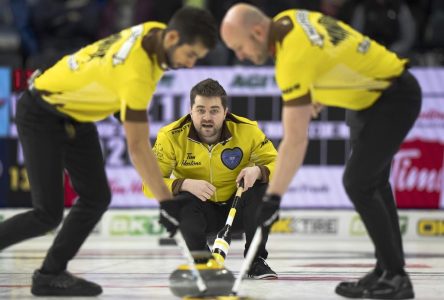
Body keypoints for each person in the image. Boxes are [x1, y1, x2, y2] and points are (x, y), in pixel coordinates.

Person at [0, 6, 217, 297]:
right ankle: (49, 273)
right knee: (47, 214)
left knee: (96, 197)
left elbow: (105, 68)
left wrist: (121, 107)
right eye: (190, 54)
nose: (191, 64)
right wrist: (167, 202)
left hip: (76, 112)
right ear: (173, 37)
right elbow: (138, 148)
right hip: (41, 112)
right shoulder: (138, 73)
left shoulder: (153, 30)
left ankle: (50, 274)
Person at [220, 3, 421, 300]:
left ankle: (396, 277)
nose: (240, 56)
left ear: (258, 32)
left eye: (240, 47)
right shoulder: (289, 18)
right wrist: (320, 90)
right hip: (367, 99)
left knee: (359, 183)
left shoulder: (291, 60)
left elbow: (296, 140)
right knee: (373, 182)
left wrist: (273, 197)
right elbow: (338, 48)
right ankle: (387, 270)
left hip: (392, 97)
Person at [143, 78, 278, 279]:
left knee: (263, 188)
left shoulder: (247, 130)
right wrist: (184, 184)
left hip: (239, 209)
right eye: (200, 110)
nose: (207, 117)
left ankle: (255, 261)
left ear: (225, 112)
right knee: (180, 201)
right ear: (190, 110)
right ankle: (203, 261)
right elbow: (149, 185)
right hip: (200, 214)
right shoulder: (170, 136)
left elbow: (279, 166)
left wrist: (258, 171)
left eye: (214, 110)